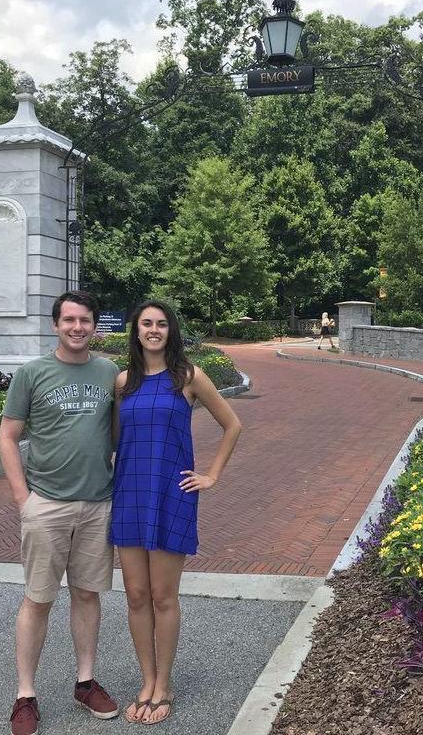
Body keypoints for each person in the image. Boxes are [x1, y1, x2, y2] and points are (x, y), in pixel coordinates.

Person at [110, 300, 242, 726]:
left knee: (164, 596)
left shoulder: (187, 377)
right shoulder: (123, 382)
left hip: (172, 493)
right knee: (135, 595)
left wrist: (211, 476)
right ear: (136, 330)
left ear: (171, 330)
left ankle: (164, 684)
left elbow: (232, 425)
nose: (153, 330)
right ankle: (145, 680)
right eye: (146, 323)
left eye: (161, 324)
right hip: (129, 494)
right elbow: (116, 439)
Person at [0, 291, 121, 735]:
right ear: (56, 325)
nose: (77, 327)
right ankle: (25, 695)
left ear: (94, 325)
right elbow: (8, 436)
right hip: (46, 504)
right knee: (38, 599)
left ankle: (85, 681)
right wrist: (22, 497)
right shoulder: (32, 373)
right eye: (69, 320)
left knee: (87, 594)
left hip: (96, 504)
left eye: (85, 320)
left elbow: (116, 433)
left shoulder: (109, 372)